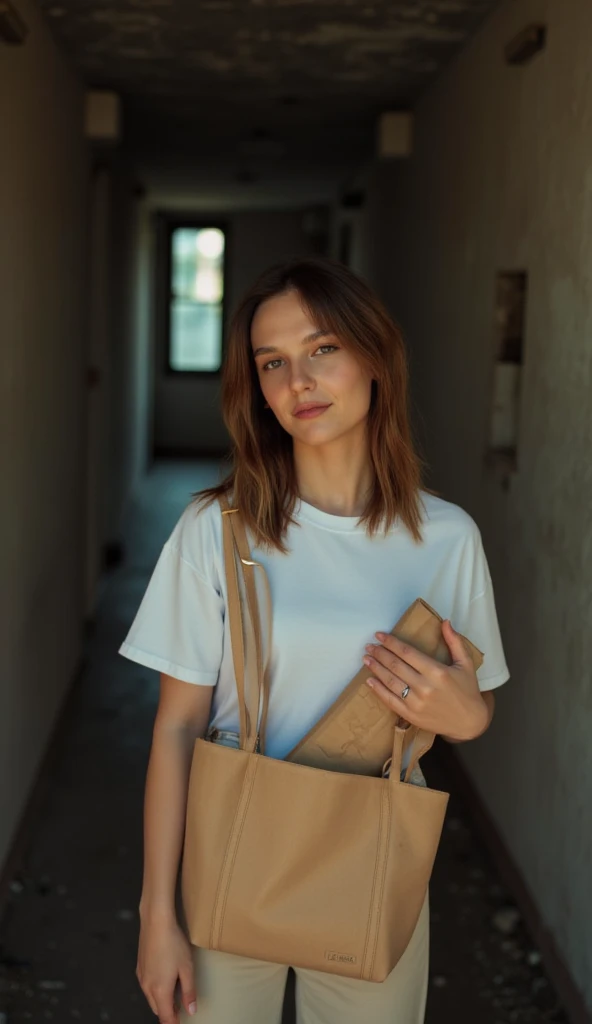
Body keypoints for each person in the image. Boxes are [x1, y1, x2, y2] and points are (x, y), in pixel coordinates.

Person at [119, 256, 510, 1024]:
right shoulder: (217, 529)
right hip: (230, 852)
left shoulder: (446, 537)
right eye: (273, 362)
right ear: (257, 388)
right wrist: (156, 917)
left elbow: (470, 705)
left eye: (322, 348)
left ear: (373, 356)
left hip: (372, 859)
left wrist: (472, 719)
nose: (298, 379)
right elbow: (175, 728)